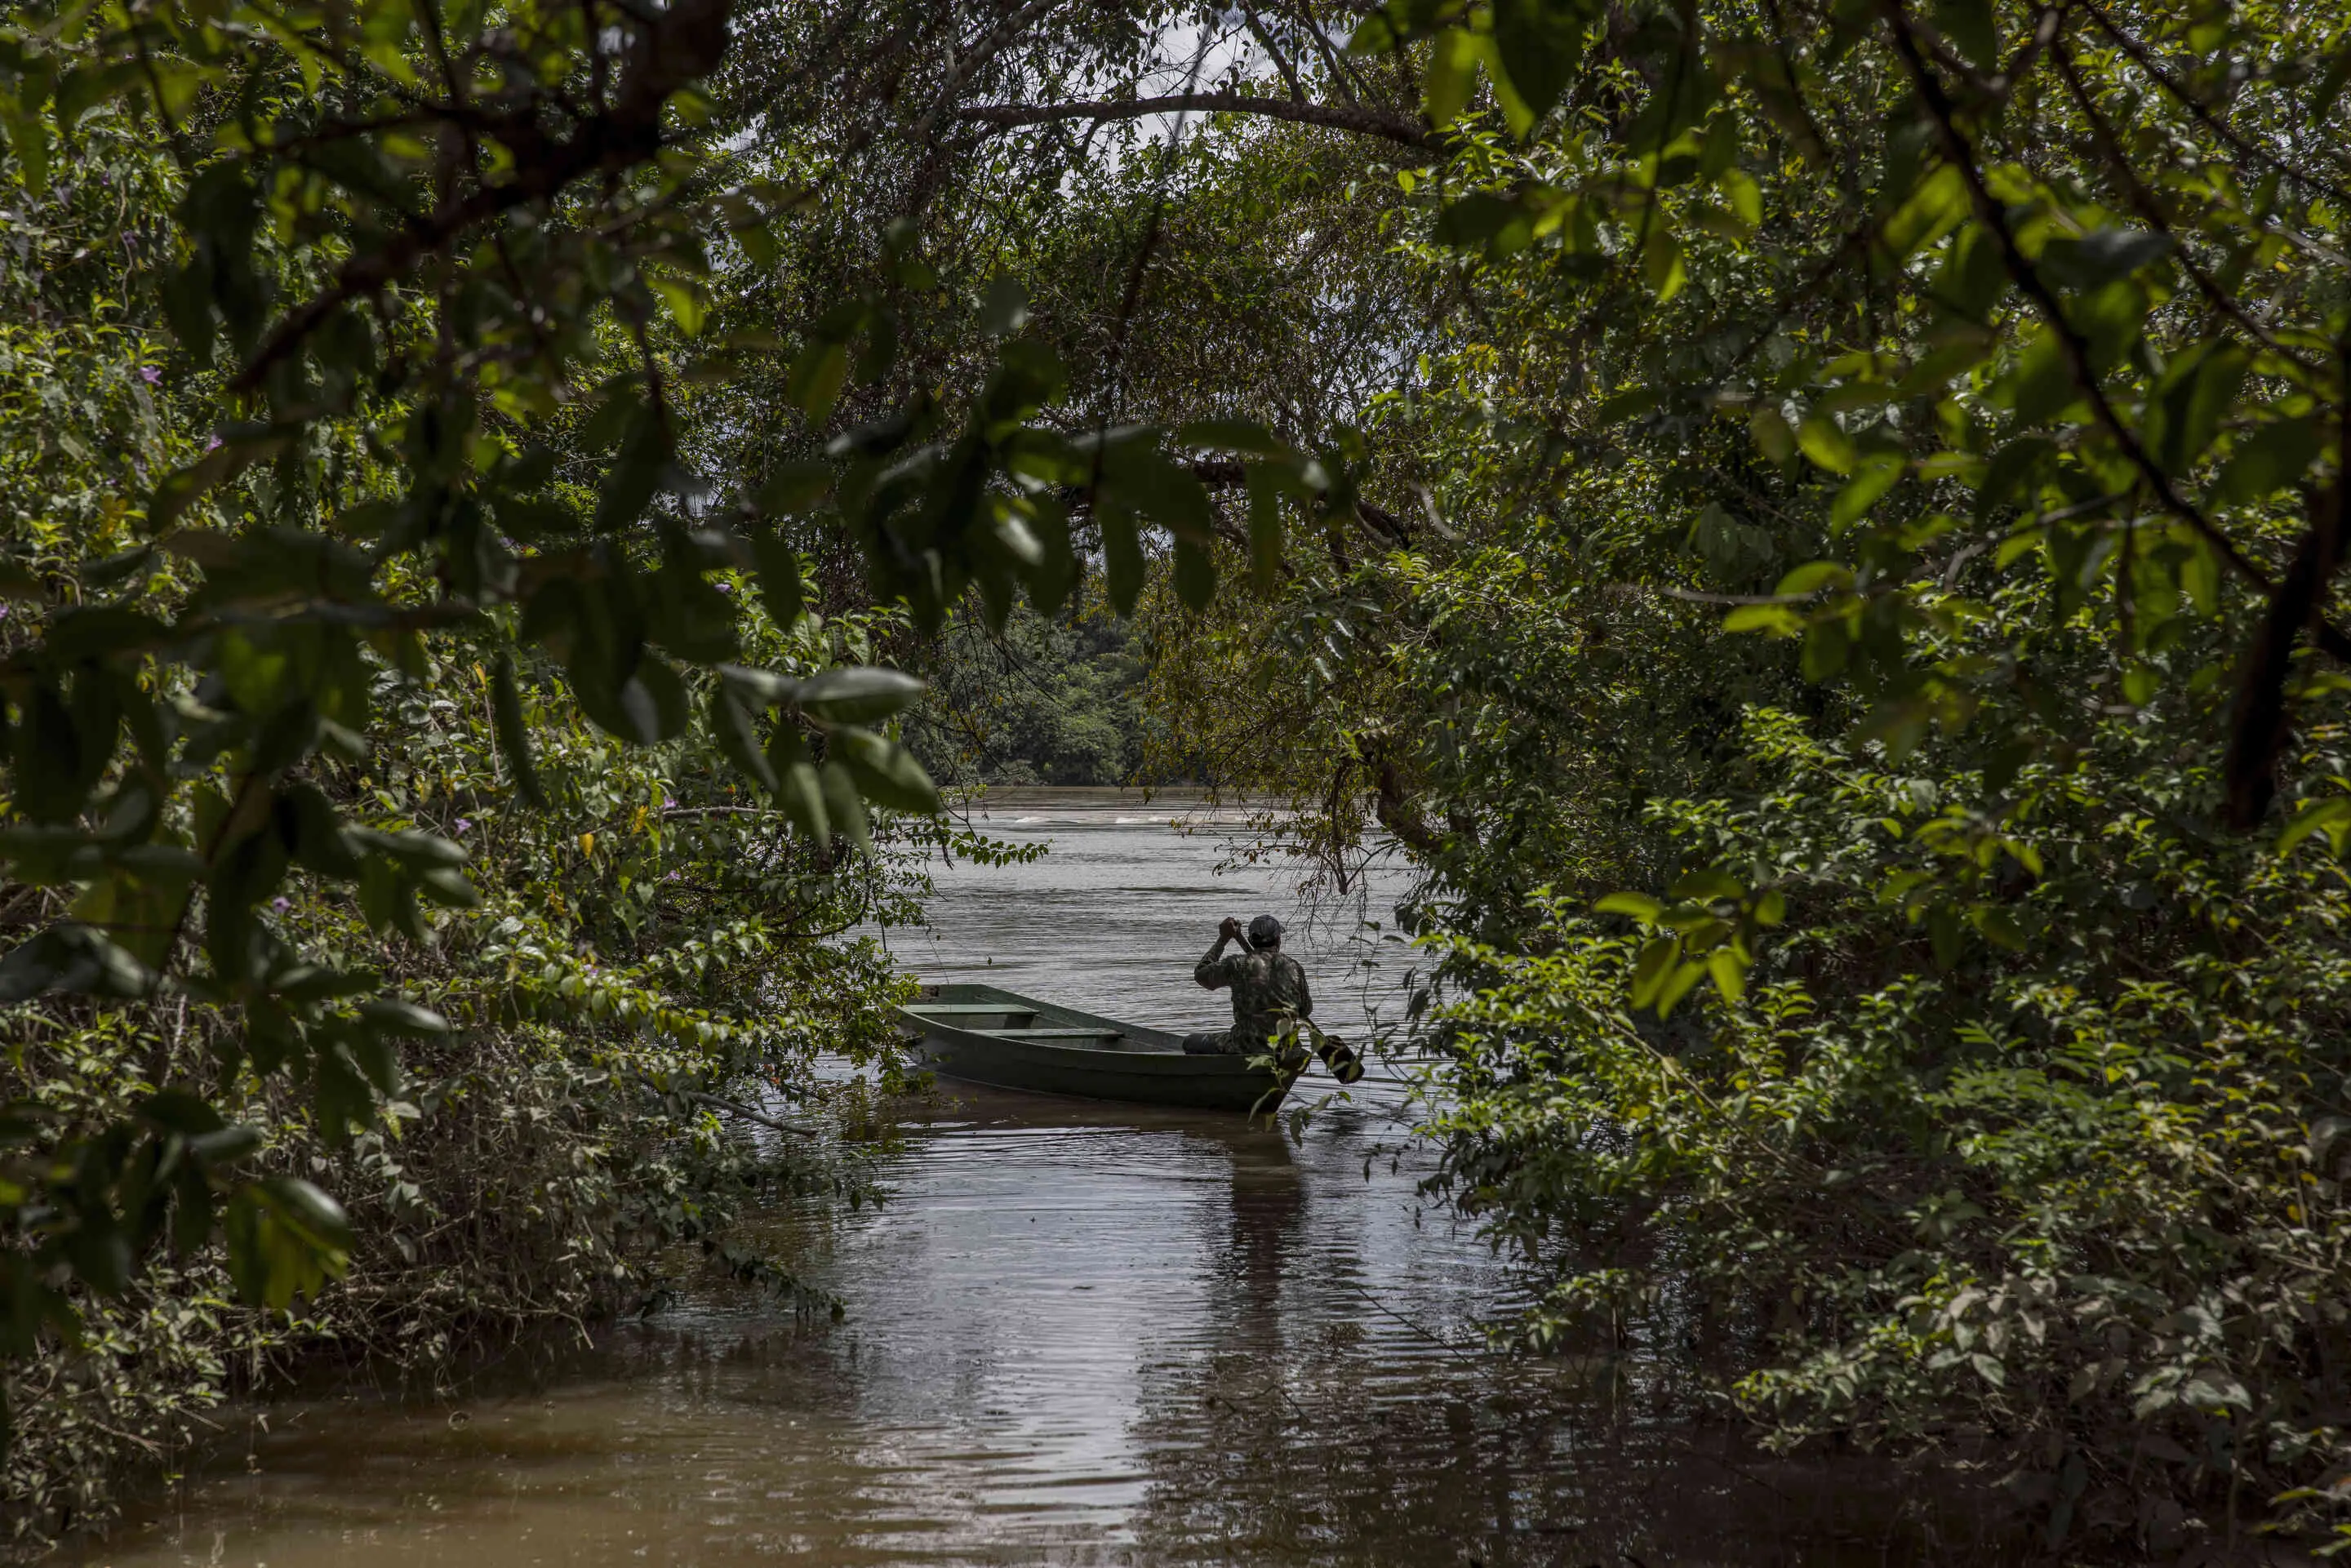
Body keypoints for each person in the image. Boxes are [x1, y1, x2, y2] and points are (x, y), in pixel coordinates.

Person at [1182, 914, 1313, 1057]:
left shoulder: (1237, 965)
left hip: (1246, 1046)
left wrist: (1223, 939)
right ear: (1278, 940)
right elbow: (1305, 1011)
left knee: (1189, 1042)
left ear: (1251, 940)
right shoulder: (1294, 968)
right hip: (1287, 1048)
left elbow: (1201, 975)